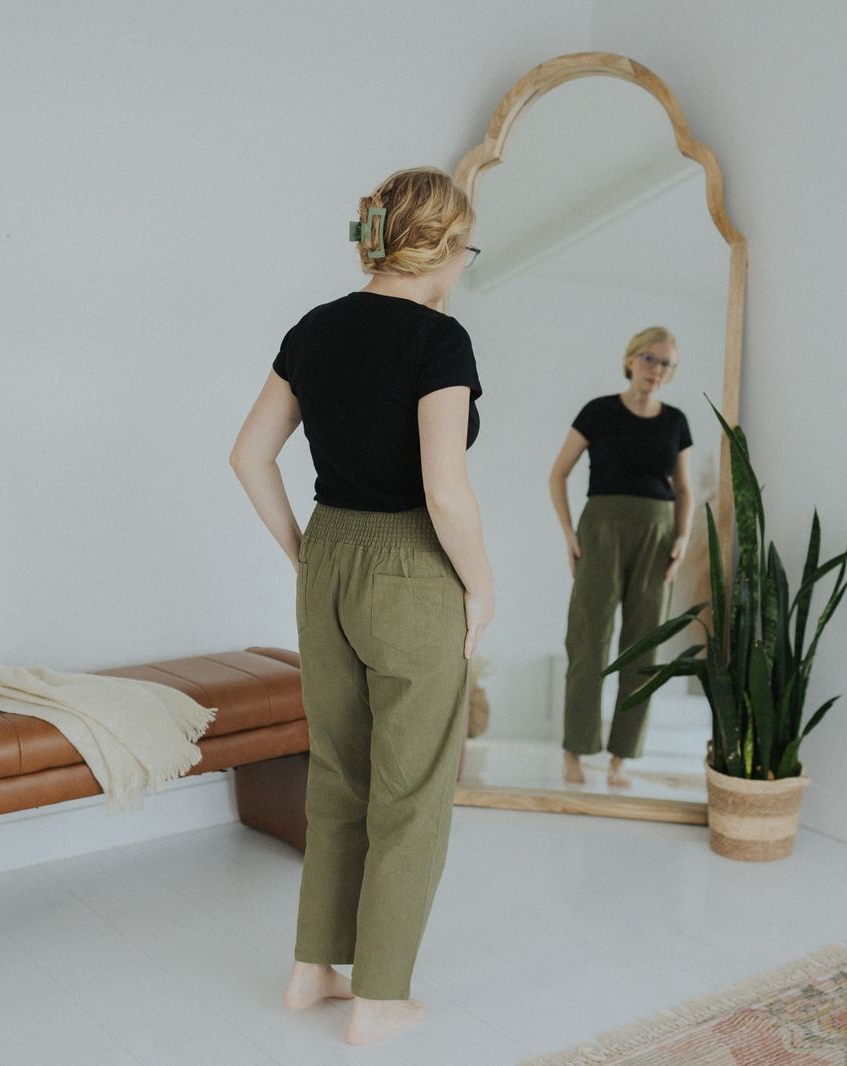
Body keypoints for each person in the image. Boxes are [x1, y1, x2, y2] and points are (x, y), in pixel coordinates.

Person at [228, 166, 493, 1047]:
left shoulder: (313, 328)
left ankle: (312, 970)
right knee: (413, 788)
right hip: (413, 567)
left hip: (330, 556)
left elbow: (249, 456)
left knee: (338, 773)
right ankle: (380, 996)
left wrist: (306, 552)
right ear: (447, 247)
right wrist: (482, 585)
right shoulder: (438, 342)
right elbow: (445, 493)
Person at [548, 327, 693, 789]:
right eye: (650, 359)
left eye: (667, 363)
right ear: (630, 359)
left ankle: (621, 758)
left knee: (643, 645)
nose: (657, 370)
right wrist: (570, 533)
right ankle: (575, 750)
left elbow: (684, 488)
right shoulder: (598, 411)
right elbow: (559, 474)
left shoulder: (677, 422)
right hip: (601, 529)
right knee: (588, 639)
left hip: (657, 533)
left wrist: (683, 537)